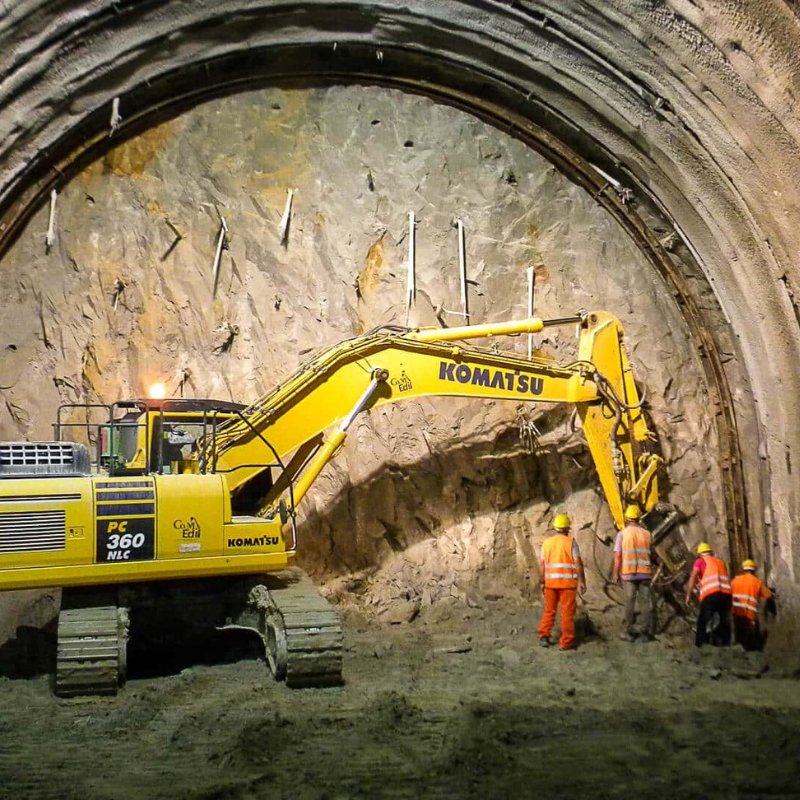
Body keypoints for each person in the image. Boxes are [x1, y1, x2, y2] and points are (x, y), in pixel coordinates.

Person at [538, 513, 587, 651]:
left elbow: (542, 565)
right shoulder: (571, 542)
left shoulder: (547, 543)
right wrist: (581, 581)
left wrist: (542, 582)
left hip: (550, 584)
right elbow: (578, 564)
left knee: (549, 610)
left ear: (555, 528)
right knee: (567, 613)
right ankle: (566, 643)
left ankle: (544, 636)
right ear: (567, 528)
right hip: (567, 584)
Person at [612, 504, 654, 642]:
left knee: (629, 602)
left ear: (627, 518)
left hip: (629, 574)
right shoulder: (647, 534)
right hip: (645, 573)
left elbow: (618, 556)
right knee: (645, 603)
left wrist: (616, 573)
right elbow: (653, 554)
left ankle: (629, 632)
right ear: (639, 518)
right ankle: (645, 634)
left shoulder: (622, 534)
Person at [684, 542, 732, 647]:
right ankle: (726, 645)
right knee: (724, 621)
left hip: (711, 594)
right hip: (726, 595)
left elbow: (693, 577)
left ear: (699, 554)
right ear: (710, 552)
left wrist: (688, 595)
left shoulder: (700, 561)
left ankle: (700, 646)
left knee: (703, 621)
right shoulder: (719, 562)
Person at [731, 559, 774, 651]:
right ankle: (750, 651)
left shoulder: (735, 580)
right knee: (749, 638)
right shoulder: (757, 582)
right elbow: (768, 595)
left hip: (736, 613)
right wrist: (774, 594)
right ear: (754, 570)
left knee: (738, 635)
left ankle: (737, 652)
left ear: (743, 569)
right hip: (749, 615)